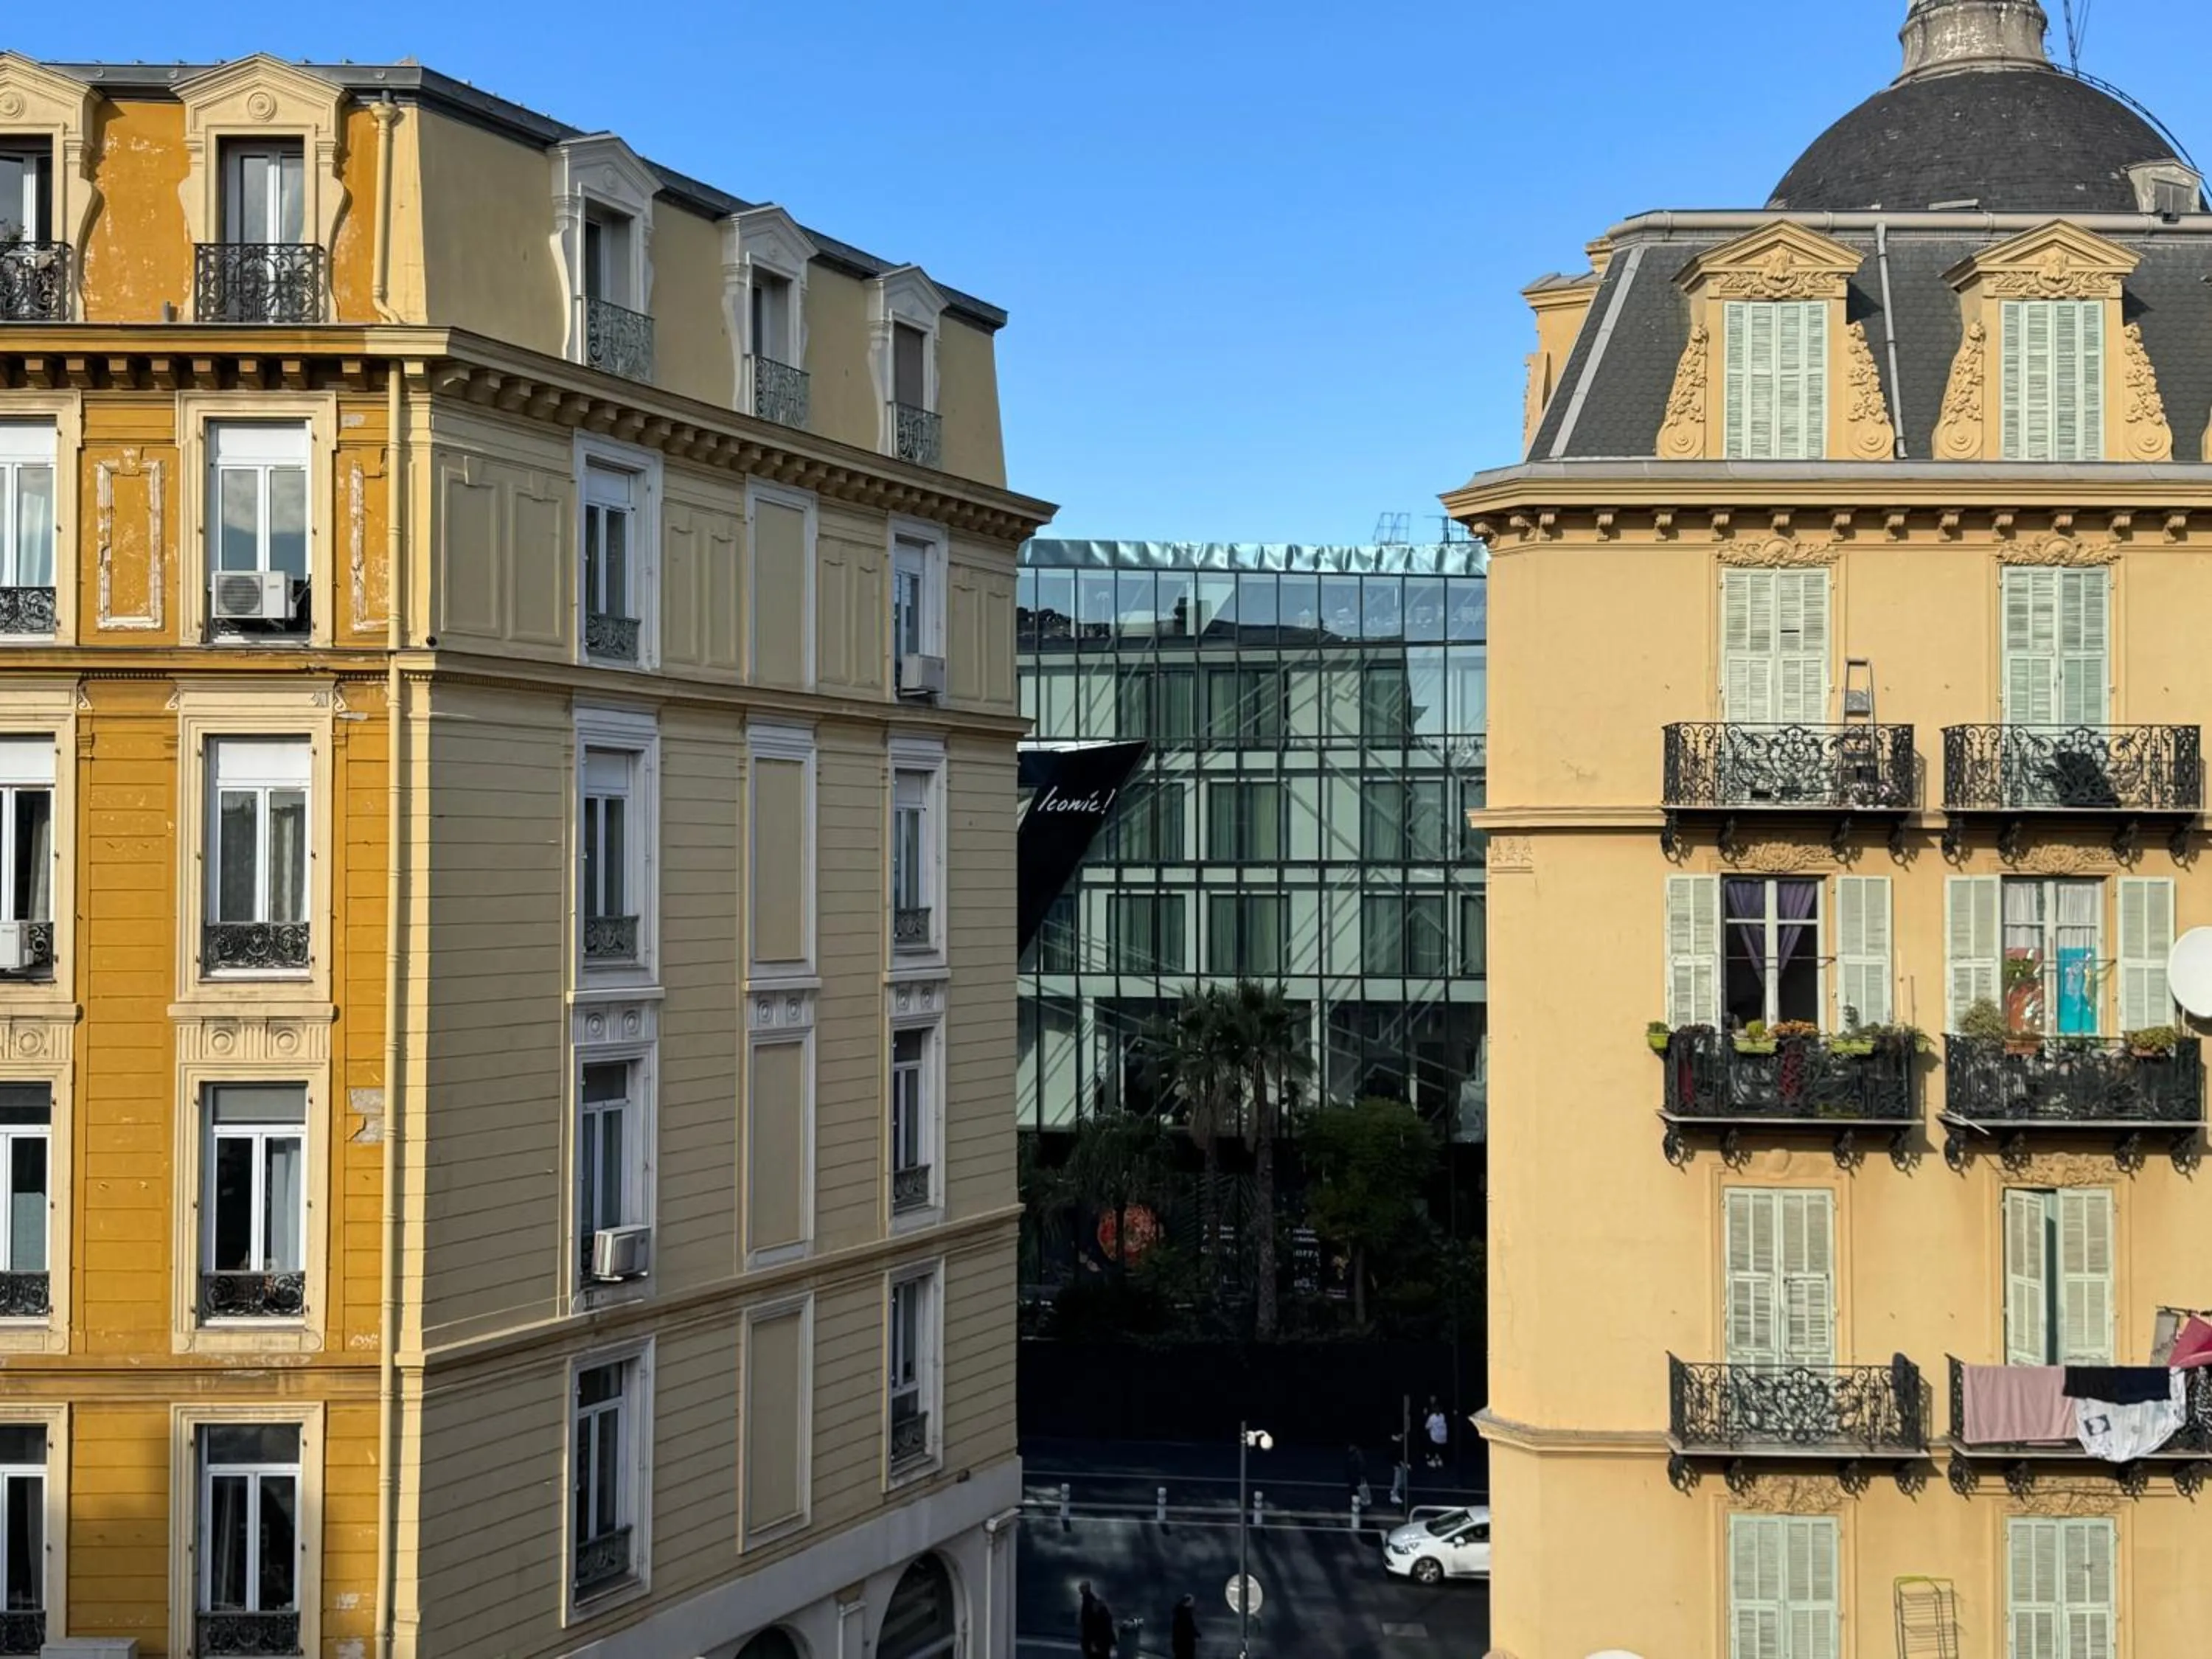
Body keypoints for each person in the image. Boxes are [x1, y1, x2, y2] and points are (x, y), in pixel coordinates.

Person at [1079, 1581, 1117, 1658]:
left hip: (1098, 1642)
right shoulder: (1091, 1604)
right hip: (1098, 1642)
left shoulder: (1091, 1606)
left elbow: (1097, 1629)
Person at [1172, 1592, 1199, 1659]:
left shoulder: (1180, 1612)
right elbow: (1187, 1627)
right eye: (1192, 1601)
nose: (1193, 1603)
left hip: (1180, 1642)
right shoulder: (1184, 1614)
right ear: (1188, 1602)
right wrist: (1195, 1633)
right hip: (1185, 1643)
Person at [1425, 1398, 1449, 1470]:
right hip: (1443, 1439)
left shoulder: (1432, 1417)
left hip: (1437, 1439)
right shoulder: (1443, 1416)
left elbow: (1426, 1427)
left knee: (1428, 1435)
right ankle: (1438, 1458)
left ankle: (1434, 1460)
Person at [1344, 1441, 1369, 1507]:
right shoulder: (1354, 1454)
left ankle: (1357, 1503)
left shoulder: (1357, 1454)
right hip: (1354, 1475)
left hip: (1356, 1475)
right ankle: (1358, 1503)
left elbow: (1361, 1465)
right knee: (1356, 1490)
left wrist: (1361, 1474)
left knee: (1356, 1490)